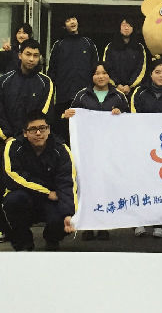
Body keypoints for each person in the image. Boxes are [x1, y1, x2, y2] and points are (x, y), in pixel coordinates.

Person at [0, 38, 55, 244]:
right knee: (5, 187)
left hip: (36, 146)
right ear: (20, 55)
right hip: (9, 145)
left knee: (38, 184)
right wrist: (8, 138)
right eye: (28, 54)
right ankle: (2, 228)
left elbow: (45, 113)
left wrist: (32, 137)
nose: (32, 59)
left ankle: (45, 230)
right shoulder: (3, 81)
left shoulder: (46, 83)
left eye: (36, 55)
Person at [63, 62, 129, 241]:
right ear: (92, 76)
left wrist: (121, 113)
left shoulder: (119, 96)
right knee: (87, 186)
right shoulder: (82, 95)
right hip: (87, 150)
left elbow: (129, 120)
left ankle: (103, 225)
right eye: (97, 73)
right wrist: (66, 115)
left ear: (109, 75)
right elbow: (70, 117)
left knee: (105, 186)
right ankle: (88, 225)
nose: (101, 76)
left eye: (104, 73)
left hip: (109, 150)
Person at [1, 112, 77, 251]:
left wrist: (68, 214)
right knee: (13, 201)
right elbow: (13, 177)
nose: (38, 133)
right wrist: (45, 193)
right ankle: (24, 243)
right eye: (32, 129)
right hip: (27, 197)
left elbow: (67, 181)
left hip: (52, 199)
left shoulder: (61, 149)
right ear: (25, 133)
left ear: (48, 129)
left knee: (63, 216)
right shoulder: (13, 146)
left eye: (42, 128)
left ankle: (52, 238)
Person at [129, 58, 162, 238]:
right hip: (143, 144)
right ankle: (138, 221)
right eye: (157, 72)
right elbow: (134, 118)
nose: (161, 76)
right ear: (151, 74)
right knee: (141, 182)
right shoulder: (139, 93)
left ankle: (161, 223)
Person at [0, 22, 34, 173]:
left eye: (25, 32)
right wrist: (5, 52)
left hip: (26, 93)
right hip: (8, 93)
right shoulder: (9, 48)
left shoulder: (32, 50)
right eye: (19, 32)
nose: (21, 35)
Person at [48, 15, 98, 143]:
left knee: (85, 134)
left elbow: (95, 70)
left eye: (74, 19)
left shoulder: (88, 43)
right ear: (64, 26)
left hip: (85, 97)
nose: (72, 22)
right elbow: (52, 71)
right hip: (63, 97)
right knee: (64, 133)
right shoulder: (59, 45)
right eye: (68, 20)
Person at [102, 16, 147, 98]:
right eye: (123, 25)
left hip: (133, 90)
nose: (126, 28)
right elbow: (107, 67)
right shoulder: (110, 47)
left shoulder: (139, 47)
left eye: (129, 25)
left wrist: (129, 85)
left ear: (133, 28)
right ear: (119, 28)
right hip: (114, 89)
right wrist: (117, 84)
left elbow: (141, 68)